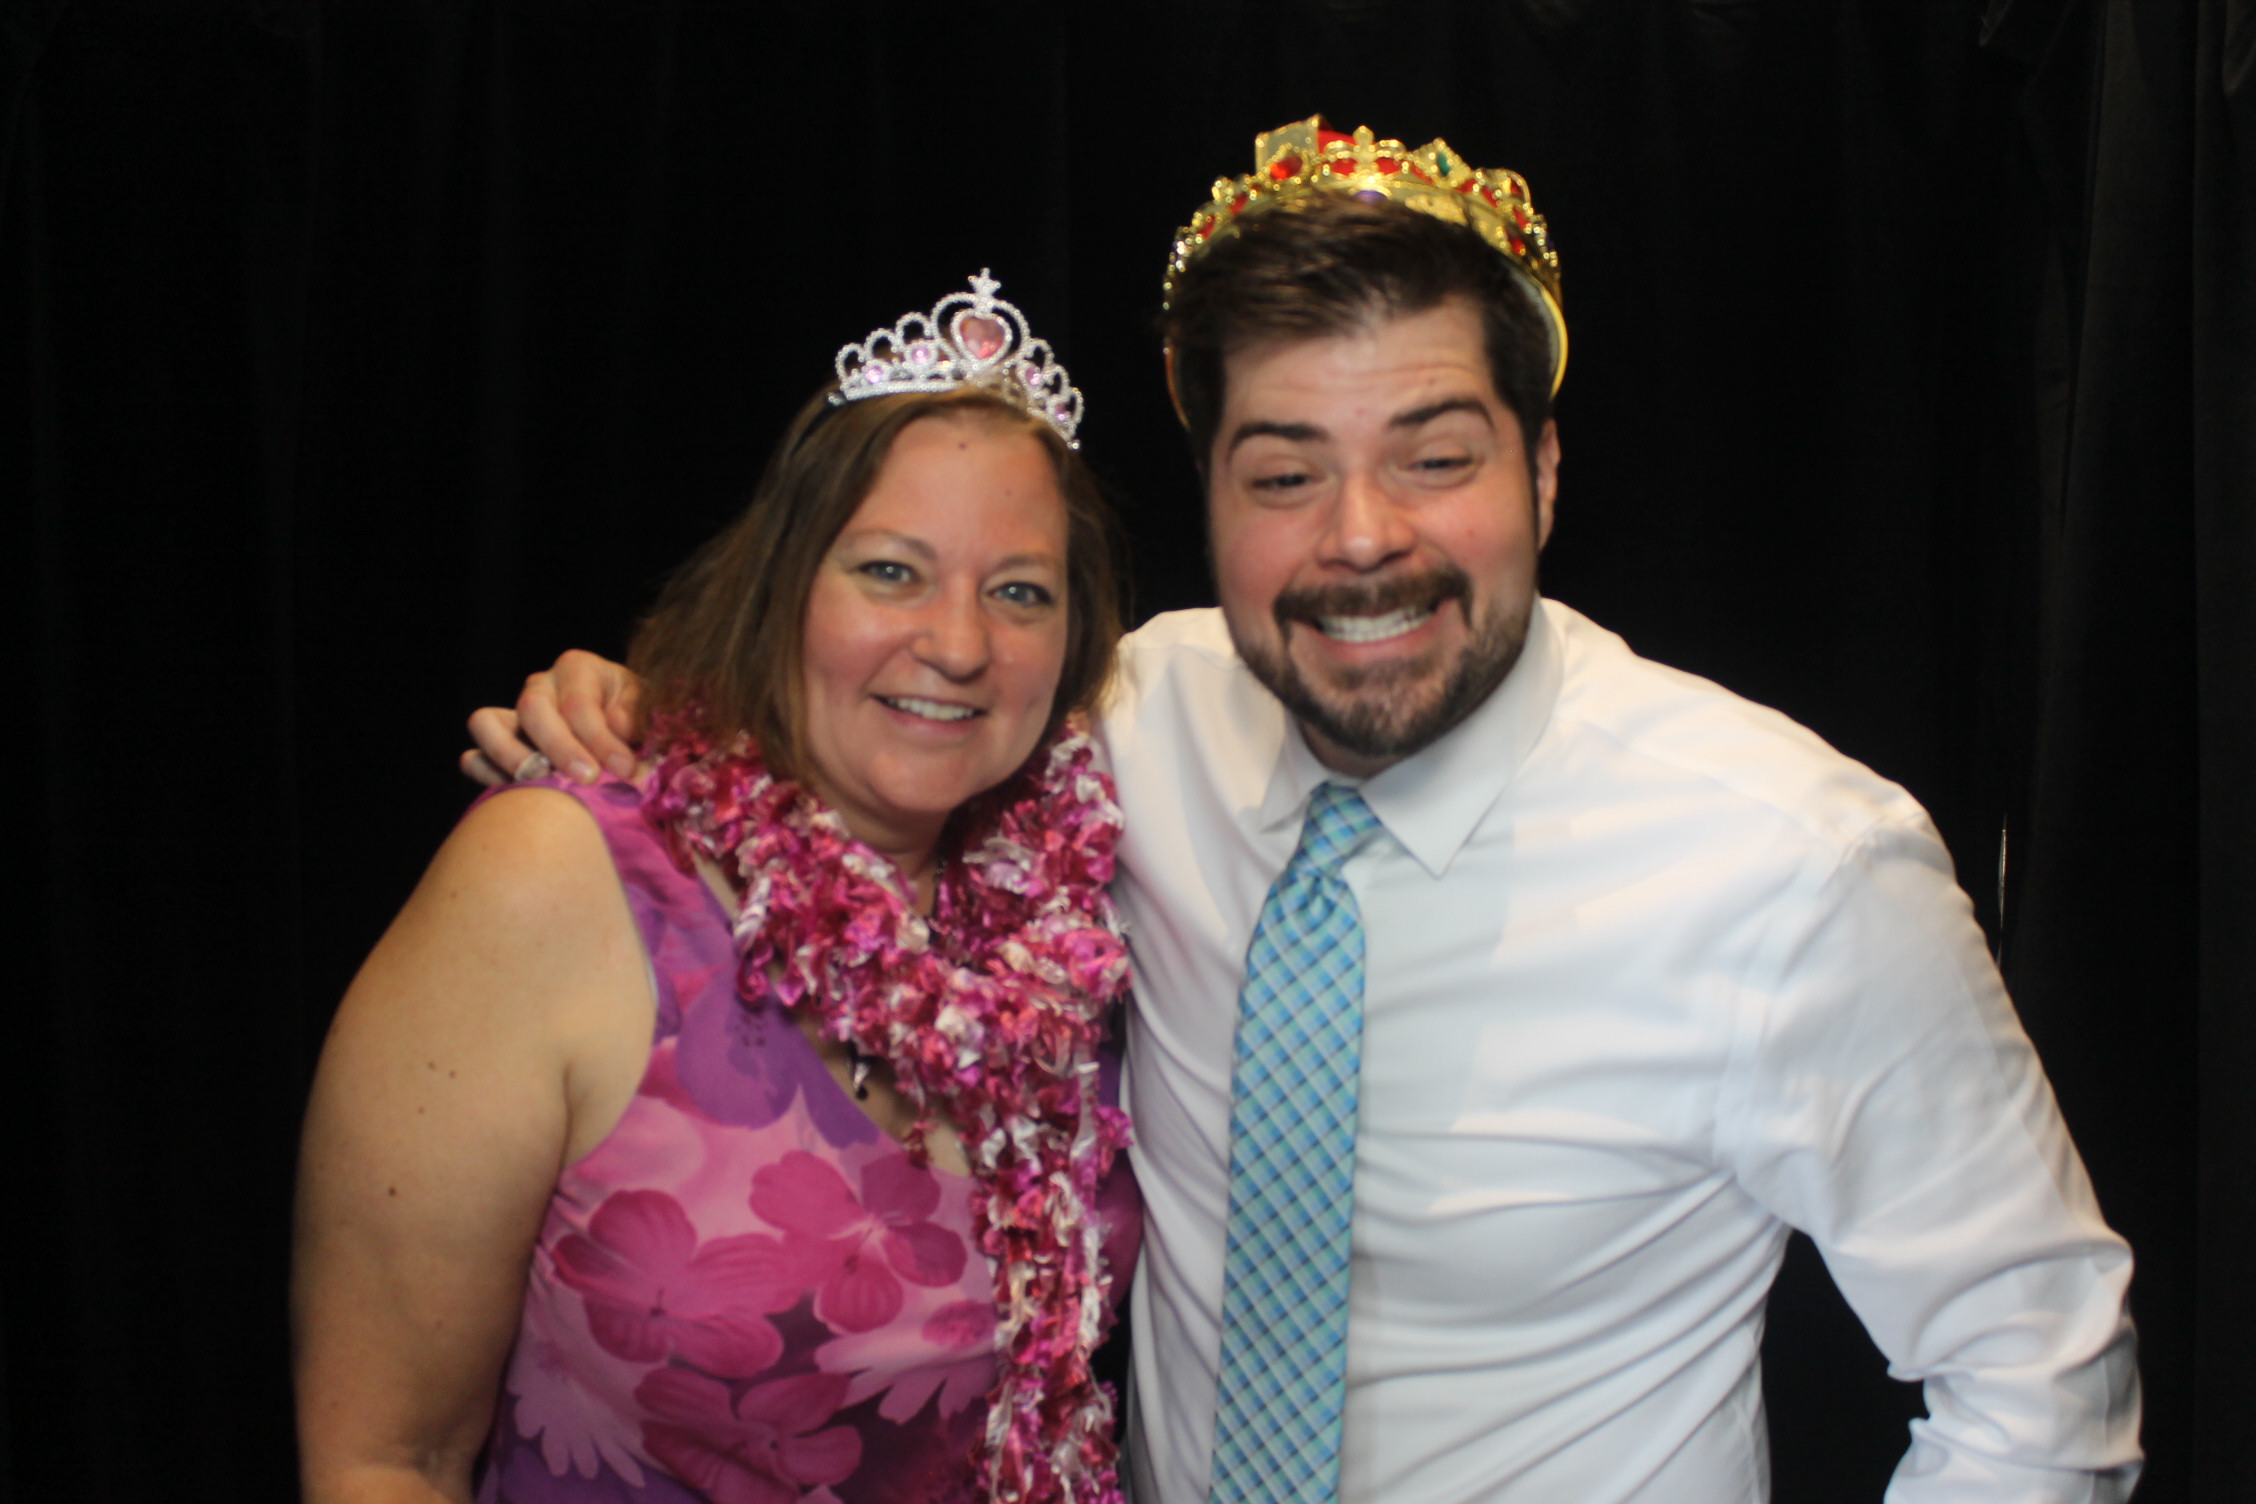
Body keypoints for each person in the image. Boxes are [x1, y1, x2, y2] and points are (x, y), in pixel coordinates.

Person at [471, 122, 2142, 1502]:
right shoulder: (1126, 713)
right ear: (1204, 499)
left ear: (1546, 472)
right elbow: (885, 713)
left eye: (1434, 454)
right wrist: (646, 721)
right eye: (1282, 471)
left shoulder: (1794, 859)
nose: (1358, 537)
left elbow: (2037, 1360)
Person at [295, 272, 1143, 1504]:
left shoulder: (1090, 909)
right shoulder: (559, 875)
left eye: (1020, 591)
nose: (960, 642)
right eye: (892, 571)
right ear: (784, 583)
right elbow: (387, 1457)